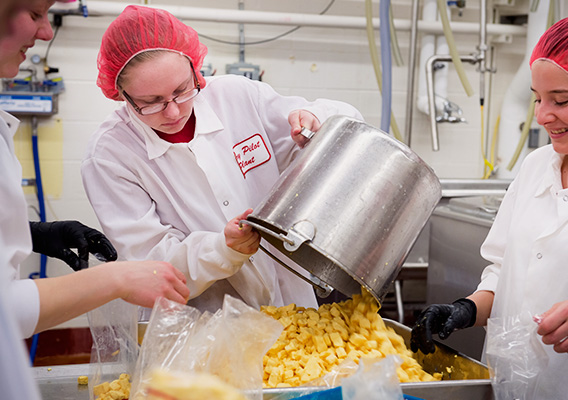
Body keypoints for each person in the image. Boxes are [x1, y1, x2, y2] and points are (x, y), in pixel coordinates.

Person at [81, 5, 364, 313]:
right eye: (151, 102)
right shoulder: (110, 155)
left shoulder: (236, 96)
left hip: (294, 307)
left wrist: (314, 118)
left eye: (181, 90)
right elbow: (149, 265)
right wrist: (221, 249)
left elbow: (345, 121)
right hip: (206, 327)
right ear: (121, 93)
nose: (174, 111)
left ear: (195, 70)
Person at [0, 0, 191, 340]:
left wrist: (32, 233)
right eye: (34, 14)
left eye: (180, 91)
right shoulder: (109, 150)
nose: (45, 31)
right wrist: (113, 279)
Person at [410, 17, 568, 398]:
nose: (542, 115)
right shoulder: (535, 169)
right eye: (537, 98)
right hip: (509, 381)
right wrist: (465, 310)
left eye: (561, 100)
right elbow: (504, 271)